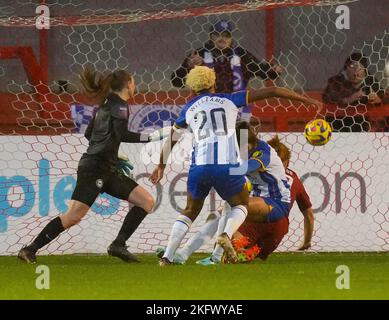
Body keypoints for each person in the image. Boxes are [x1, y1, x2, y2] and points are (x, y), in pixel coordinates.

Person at [150, 65, 321, 266]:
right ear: (213, 83)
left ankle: (167, 257)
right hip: (227, 166)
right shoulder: (229, 99)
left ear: (193, 88)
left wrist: (160, 165)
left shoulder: (188, 108)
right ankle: (224, 235)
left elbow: (171, 139)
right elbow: (273, 91)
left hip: (199, 165)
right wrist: (308, 100)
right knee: (239, 205)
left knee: (189, 210)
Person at [18, 68, 159, 264]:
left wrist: (113, 155)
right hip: (95, 169)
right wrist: (151, 137)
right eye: (134, 82)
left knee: (146, 201)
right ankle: (30, 249)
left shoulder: (106, 104)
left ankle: (118, 244)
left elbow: (89, 134)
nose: (135, 85)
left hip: (106, 167)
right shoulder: (120, 106)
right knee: (73, 217)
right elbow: (122, 135)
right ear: (128, 84)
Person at [158, 126, 314, 264]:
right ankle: (185, 253)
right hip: (261, 202)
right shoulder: (243, 149)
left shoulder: (264, 151)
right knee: (218, 214)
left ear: (250, 144)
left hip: (277, 203)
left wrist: (220, 170)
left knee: (231, 206)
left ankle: (215, 256)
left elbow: (245, 168)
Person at [171, 20, 282, 119]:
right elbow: (176, 81)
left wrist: (274, 71)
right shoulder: (198, 54)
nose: (222, 38)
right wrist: (188, 67)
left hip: (238, 111)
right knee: (210, 140)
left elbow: (263, 72)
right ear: (211, 36)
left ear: (231, 38)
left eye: (226, 35)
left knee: (243, 140)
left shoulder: (241, 54)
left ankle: (243, 140)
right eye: (217, 34)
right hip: (206, 111)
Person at [323, 52, 386, 132]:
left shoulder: (369, 80)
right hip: (337, 124)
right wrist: (353, 97)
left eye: (360, 68)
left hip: (360, 125)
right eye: (352, 67)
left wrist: (378, 98)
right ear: (346, 68)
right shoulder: (335, 81)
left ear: (365, 70)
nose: (356, 72)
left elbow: (382, 95)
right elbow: (327, 99)